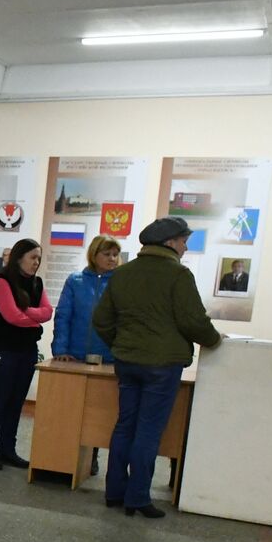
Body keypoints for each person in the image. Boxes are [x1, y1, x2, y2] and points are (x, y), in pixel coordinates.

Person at [93, 216, 221, 518]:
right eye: (183, 240)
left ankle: (114, 492)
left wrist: (121, 343)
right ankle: (137, 498)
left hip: (127, 362)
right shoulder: (178, 275)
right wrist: (214, 341)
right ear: (169, 243)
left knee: (125, 425)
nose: (186, 246)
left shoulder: (122, 274)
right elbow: (193, 321)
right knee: (149, 430)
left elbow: (101, 320)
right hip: (162, 366)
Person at [0, 238, 51, 470]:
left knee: (16, 404)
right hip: (5, 352)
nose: (36, 263)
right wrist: (33, 318)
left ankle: (8, 450)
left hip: (27, 352)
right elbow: (12, 317)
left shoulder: (36, 284)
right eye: (33, 258)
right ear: (19, 257)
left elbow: (47, 312)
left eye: (39, 259)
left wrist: (26, 312)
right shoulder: (2, 282)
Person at [51, 235, 119, 475]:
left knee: (99, 414)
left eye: (115, 254)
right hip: (76, 356)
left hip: (108, 358)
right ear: (94, 255)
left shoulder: (120, 282)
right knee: (71, 409)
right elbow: (63, 315)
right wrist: (60, 349)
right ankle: (65, 457)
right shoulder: (76, 281)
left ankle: (93, 456)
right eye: (107, 254)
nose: (112, 259)